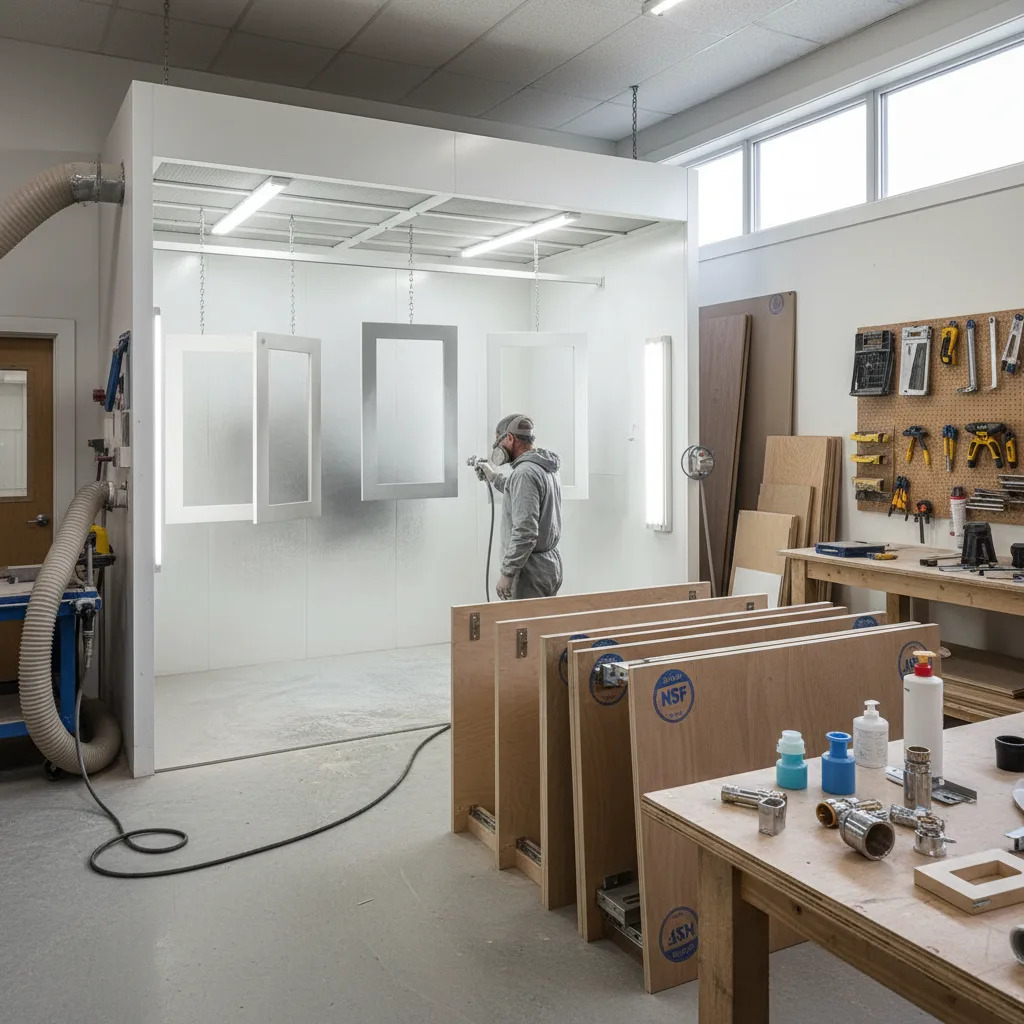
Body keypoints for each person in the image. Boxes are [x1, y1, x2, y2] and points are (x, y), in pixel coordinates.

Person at [477, 414, 563, 600]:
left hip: (529, 572)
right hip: (548, 566)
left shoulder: (524, 474)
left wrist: (507, 574)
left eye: (498, 440)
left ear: (510, 438)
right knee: (542, 625)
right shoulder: (545, 467)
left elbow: (525, 531)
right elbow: (521, 493)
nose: (497, 447)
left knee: (524, 628)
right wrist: (493, 477)